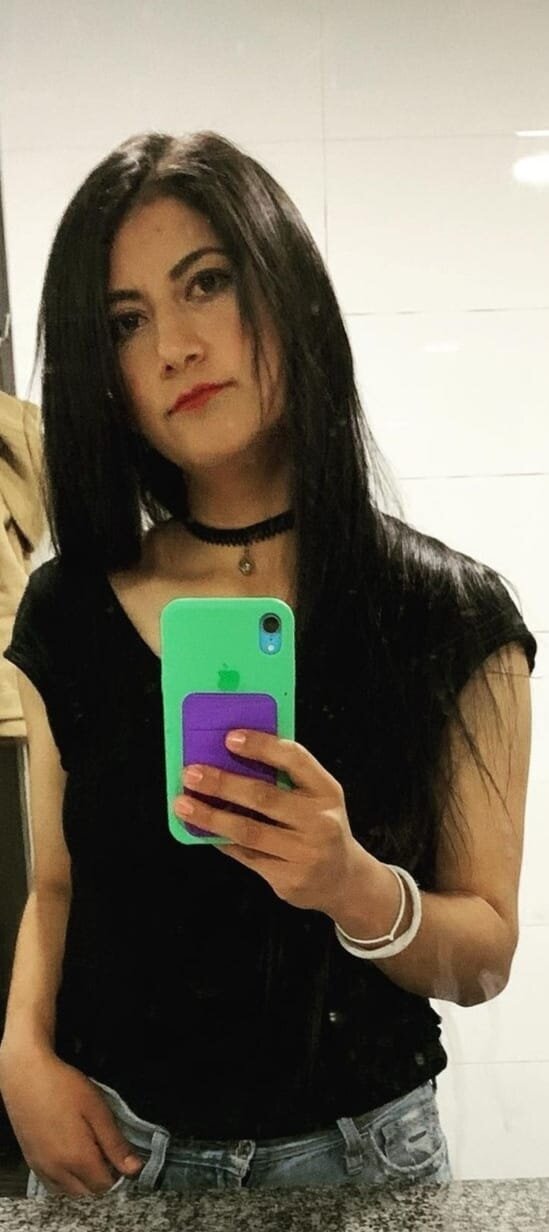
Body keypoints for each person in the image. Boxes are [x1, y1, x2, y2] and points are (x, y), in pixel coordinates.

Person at [0, 131, 536, 1197]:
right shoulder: (66, 610)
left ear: (285, 289)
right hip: (114, 1143)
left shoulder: (449, 613)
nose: (174, 346)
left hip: (359, 1158)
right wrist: (19, 1052)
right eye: (126, 321)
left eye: (206, 282)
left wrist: (353, 887)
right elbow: (57, 881)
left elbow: (484, 957)